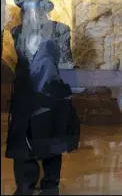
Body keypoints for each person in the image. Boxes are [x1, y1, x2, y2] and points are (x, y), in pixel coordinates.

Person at [7, 39, 80, 195]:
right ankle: (48, 188)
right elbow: (50, 87)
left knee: (31, 153)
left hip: (33, 115)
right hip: (45, 116)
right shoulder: (48, 63)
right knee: (51, 153)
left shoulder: (36, 62)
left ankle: (28, 187)